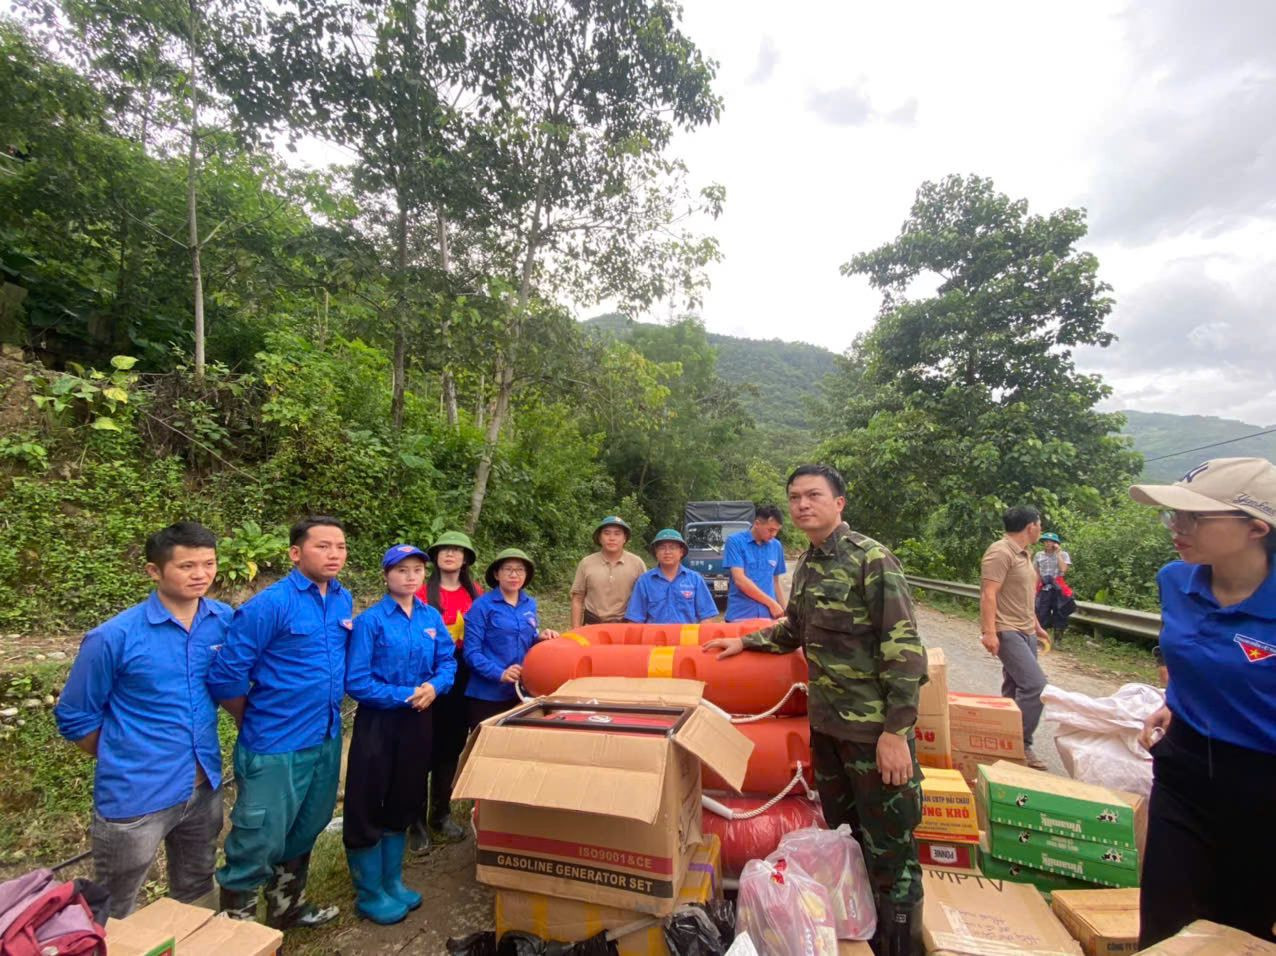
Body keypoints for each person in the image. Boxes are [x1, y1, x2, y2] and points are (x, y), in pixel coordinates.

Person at [703, 465, 927, 956]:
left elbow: (907, 653)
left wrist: (896, 732)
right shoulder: (808, 563)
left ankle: (901, 946)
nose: (803, 504)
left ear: (839, 502)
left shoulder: (872, 559)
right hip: (828, 731)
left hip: (874, 736)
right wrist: (744, 641)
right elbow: (792, 630)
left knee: (892, 853)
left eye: (813, 495)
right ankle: (862, 939)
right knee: (847, 838)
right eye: (795, 497)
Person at [1129, 457, 1276, 946]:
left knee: (1240, 931)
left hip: (1263, 787)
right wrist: (1176, 699)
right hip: (1183, 771)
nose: (1177, 526)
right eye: (1172, 514)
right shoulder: (1176, 580)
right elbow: (1189, 654)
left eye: (1194, 517)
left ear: (1256, 528)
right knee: (1164, 926)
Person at [54, 522, 229, 918]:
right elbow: (75, 715)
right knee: (114, 903)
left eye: (208, 563)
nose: (200, 574)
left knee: (198, 884)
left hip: (204, 785)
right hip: (136, 798)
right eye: (186, 566)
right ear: (154, 571)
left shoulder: (222, 621)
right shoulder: (113, 637)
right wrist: (123, 753)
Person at [207, 515, 351, 928]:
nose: (334, 554)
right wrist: (247, 716)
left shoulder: (341, 598)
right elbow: (225, 675)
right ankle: (238, 927)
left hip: (323, 736)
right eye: (322, 546)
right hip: (274, 744)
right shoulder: (270, 605)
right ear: (295, 553)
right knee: (259, 836)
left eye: (339, 546)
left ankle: (288, 905)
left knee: (306, 826)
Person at [342, 545, 456, 925]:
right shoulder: (371, 621)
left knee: (404, 796)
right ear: (387, 575)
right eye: (402, 570)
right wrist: (407, 695)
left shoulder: (430, 616)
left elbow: (446, 661)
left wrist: (435, 687)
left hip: (419, 720)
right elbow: (357, 680)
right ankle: (369, 892)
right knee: (367, 800)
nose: (410, 577)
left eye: (417, 571)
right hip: (379, 722)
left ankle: (392, 881)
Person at [410, 530, 481, 850]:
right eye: (444, 550)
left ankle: (441, 813)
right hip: (427, 677)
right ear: (436, 558)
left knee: (450, 748)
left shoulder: (476, 593)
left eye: (457, 551)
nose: (450, 555)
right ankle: (415, 822)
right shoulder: (421, 592)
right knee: (420, 748)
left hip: (463, 676)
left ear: (465, 559)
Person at [979, 505, 1051, 770]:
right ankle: (1020, 745)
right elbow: (989, 593)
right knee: (1036, 685)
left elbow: (1023, 594)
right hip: (1006, 629)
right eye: (1039, 525)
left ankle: (1001, 745)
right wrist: (989, 632)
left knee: (1013, 689)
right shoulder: (1000, 551)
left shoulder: (1025, 555)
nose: (1041, 530)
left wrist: (1036, 624)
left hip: (1026, 630)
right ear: (1031, 526)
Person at [462, 548, 559, 728]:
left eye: (520, 570)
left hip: (520, 692)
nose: (514, 575)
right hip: (487, 695)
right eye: (508, 569)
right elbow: (471, 653)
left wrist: (540, 638)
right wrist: (500, 673)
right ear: (496, 574)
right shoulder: (482, 606)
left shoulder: (529, 604)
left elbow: (526, 641)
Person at [625, 529, 719, 624]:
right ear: (656, 552)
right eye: (662, 548)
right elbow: (635, 619)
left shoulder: (695, 579)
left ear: (681, 552)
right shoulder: (644, 581)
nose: (667, 552)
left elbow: (707, 617)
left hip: (686, 637)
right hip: (654, 637)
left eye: (672, 547)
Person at [570, 516, 646, 627]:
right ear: (599, 538)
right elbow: (577, 598)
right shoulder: (586, 563)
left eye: (617, 534)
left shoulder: (637, 563)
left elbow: (644, 599)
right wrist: (575, 630)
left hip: (625, 628)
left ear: (624, 538)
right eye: (606, 533)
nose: (612, 538)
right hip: (592, 626)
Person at [723, 505, 788, 622]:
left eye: (777, 531)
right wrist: (772, 604)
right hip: (741, 616)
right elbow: (740, 580)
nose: (774, 535)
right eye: (771, 530)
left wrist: (785, 611)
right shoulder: (735, 542)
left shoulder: (776, 546)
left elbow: (776, 581)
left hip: (768, 617)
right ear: (757, 524)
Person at [1033, 532, 1076, 647]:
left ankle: (1058, 641)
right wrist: (1034, 589)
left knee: (1060, 613)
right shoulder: (1039, 555)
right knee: (1041, 613)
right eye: (1046, 541)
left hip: (1058, 588)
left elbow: (1063, 569)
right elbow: (1036, 573)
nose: (1048, 543)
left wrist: (1057, 554)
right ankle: (1042, 639)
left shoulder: (1063, 555)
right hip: (1044, 587)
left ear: (1056, 543)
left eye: (1051, 541)